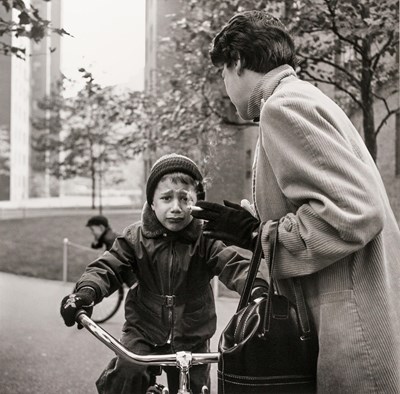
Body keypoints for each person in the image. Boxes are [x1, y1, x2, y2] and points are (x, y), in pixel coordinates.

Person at [190, 10, 400, 393]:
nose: (224, 86)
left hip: (351, 332)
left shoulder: (283, 106)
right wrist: (260, 222)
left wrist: (258, 234)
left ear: (237, 62)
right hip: (358, 316)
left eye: (222, 73)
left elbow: (354, 213)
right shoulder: (305, 98)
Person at [60, 153, 268, 394]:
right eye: (166, 198)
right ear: (152, 203)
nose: (176, 207)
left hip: (193, 335)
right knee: (129, 371)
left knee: (197, 387)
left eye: (184, 198)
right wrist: (86, 292)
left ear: (196, 202)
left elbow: (234, 264)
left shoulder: (206, 239)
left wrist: (257, 289)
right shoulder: (135, 238)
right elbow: (108, 267)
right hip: (144, 330)